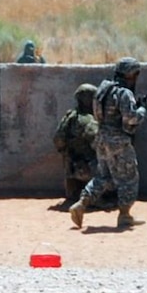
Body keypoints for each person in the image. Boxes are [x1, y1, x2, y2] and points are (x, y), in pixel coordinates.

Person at [73, 57, 147, 229]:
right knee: (128, 178)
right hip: (118, 141)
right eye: (135, 74)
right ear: (129, 75)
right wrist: (142, 110)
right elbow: (131, 118)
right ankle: (124, 215)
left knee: (104, 177)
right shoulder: (124, 93)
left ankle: (81, 204)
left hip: (101, 139)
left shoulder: (102, 89)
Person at [53, 82, 101, 212]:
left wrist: (67, 153)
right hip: (86, 168)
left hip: (71, 166)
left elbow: (58, 139)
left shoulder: (70, 116)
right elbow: (98, 143)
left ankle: (74, 192)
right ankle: (94, 199)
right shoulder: (88, 120)